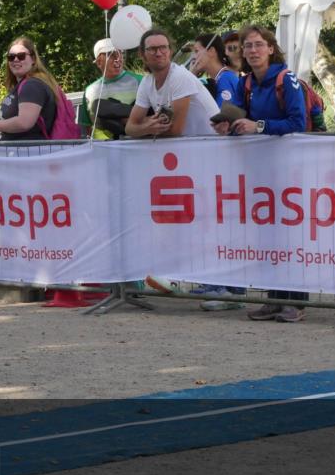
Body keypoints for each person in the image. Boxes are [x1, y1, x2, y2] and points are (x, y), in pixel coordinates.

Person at [214, 25, 309, 323]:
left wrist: (260, 127)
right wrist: (226, 126)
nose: (253, 50)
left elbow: (298, 122)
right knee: (268, 235)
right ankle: (274, 299)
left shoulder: (286, 78)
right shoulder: (244, 84)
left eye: (258, 45)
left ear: (270, 48)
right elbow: (240, 120)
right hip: (259, 171)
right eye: (248, 46)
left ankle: (296, 302)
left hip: (290, 169)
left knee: (291, 235)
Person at [125, 29, 219, 138]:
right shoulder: (146, 82)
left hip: (210, 142)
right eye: (152, 49)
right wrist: (147, 128)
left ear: (170, 51)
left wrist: (144, 128)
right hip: (186, 143)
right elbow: (129, 128)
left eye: (163, 47)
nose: (158, 53)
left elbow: (175, 131)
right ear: (142, 54)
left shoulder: (179, 76)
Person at [0, 36, 62, 140]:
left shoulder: (32, 85)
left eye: (21, 56)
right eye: (11, 57)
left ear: (33, 59)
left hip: (27, 149)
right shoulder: (23, 85)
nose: (16, 60)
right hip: (17, 149)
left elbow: (24, 122)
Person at [77, 38, 143, 140]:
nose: (117, 58)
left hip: (135, 144)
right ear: (99, 62)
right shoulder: (89, 91)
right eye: (111, 55)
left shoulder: (140, 81)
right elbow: (87, 127)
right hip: (102, 148)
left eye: (120, 53)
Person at [191, 33, 243, 107]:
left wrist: (191, 76)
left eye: (196, 51)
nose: (193, 57)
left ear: (211, 51)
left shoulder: (224, 79)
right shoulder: (221, 77)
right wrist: (192, 74)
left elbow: (221, 113)